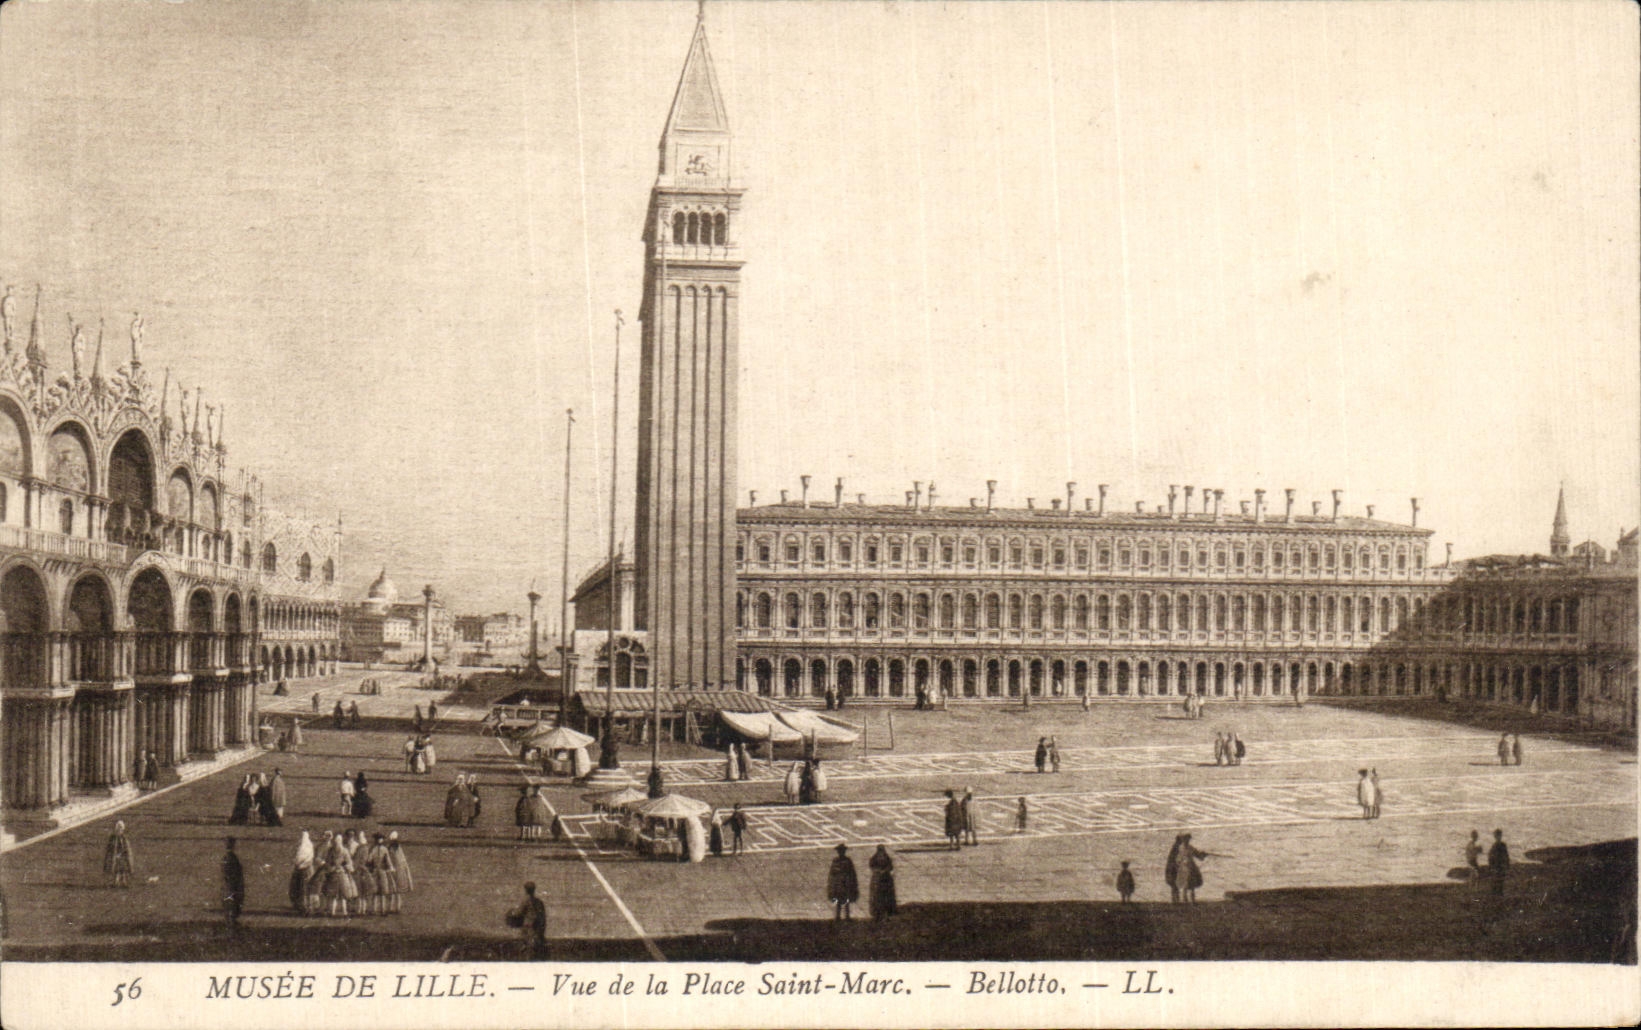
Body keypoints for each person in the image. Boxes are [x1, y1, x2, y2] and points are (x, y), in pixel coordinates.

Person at [508, 882, 548, 959]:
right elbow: (543, 916)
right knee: (536, 947)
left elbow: (517, 913)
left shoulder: (526, 901)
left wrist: (511, 912)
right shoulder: (539, 902)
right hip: (538, 928)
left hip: (528, 928)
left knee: (527, 948)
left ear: (525, 890)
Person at [827, 843, 859, 921]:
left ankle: (846, 916)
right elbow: (832, 872)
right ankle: (838, 916)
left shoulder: (846, 860)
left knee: (846, 899)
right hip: (839, 882)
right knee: (839, 899)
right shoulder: (837, 860)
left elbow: (852, 871)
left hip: (845, 882)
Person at [868, 845, 897, 920]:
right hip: (879, 880)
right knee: (877, 897)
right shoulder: (875, 858)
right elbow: (872, 866)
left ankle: (886, 913)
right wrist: (878, 871)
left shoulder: (886, 858)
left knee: (885, 897)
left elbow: (890, 867)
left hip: (885, 880)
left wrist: (884, 871)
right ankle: (877, 913)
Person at [222, 837, 245, 928]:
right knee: (232, 901)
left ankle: (230, 921)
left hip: (229, 883)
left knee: (231, 901)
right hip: (232, 883)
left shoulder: (227, 857)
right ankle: (230, 922)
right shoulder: (230, 857)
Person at [1179, 833, 1209, 903]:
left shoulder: (1191, 848)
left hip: (1191, 867)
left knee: (1192, 884)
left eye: (1188, 839)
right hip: (1184, 867)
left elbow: (1199, 856)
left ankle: (1192, 900)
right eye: (1185, 839)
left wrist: (1203, 855)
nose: (1187, 841)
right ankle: (1185, 900)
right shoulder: (1180, 848)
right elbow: (1178, 859)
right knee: (1185, 884)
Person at [291, 830, 316, 914]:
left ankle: (306, 907)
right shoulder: (306, 845)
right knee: (303, 889)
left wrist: (299, 865)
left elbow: (302, 859)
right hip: (304, 870)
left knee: (304, 889)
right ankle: (304, 907)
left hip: (304, 870)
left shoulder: (305, 846)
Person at [104, 820, 134, 888]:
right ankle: (116, 882)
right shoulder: (113, 838)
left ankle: (123, 882)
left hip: (122, 856)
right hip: (116, 857)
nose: (119, 830)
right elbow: (111, 848)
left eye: (121, 829)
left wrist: (122, 854)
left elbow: (125, 848)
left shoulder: (123, 838)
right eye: (118, 829)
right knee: (116, 870)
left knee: (122, 870)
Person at [387, 832, 412, 910]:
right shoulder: (399, 848)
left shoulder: (390, 849)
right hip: (400, 870)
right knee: (398, 890)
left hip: (393, 870)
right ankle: (398, 907)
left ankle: (392, 907)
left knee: (393, 890)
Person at [1488, 829, 1510, 895]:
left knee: (1499, 881)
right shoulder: (1495, 846)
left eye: (1499, 835)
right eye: (1497, 835)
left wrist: (1507, 865)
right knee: (1497, 881)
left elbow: (1506, 856)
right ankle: (1497, 894)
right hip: (1497, 866)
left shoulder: (1500, 845)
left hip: (1499, 866)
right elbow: (1491, 857)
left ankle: (1498, 894)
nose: (1498, 837)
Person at [1165, 834, 1185, 903]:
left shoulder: (1175, 847)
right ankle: (1176, 900)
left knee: (1174, 885)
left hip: (1172, 867)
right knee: (1175, 884)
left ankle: (1175, 899)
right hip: (1173, 868)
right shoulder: (1176, 847)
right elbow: (1176, 859)